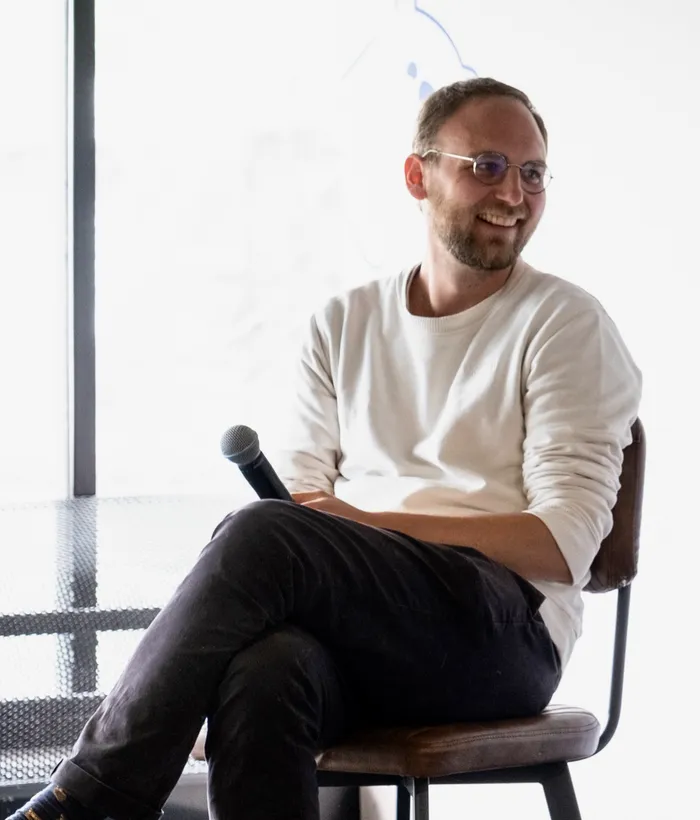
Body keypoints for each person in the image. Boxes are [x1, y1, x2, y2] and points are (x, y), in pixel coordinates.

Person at [8, 77, 642, 820]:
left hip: (504, 635)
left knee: (265, 534)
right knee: (263, 673)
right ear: (419, 176)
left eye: (532, 173)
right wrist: (329, 535)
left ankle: (85, 800)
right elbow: (303, 507)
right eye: (488, 166)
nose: (514, 193)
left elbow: (565, 544)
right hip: (369, 634)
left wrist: (363, 525)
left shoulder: (566, 324)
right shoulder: (343, 324)